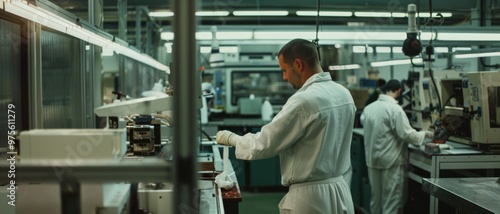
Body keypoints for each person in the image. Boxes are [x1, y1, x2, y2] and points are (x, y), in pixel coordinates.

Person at [216, 38, 356, 214]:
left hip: (310, 200)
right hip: (341, 191)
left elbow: (265, 143)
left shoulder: (303, 100)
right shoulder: (344, 94)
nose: (284, 77)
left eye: (284, 70)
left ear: (298, 64)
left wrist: (232, 138)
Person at [360, 79, 433, 214]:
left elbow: (363, 121)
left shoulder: (369, 108)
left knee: (376, 201)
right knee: (392, 202)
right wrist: (426, 134)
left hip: (373, 161)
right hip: (391, 163)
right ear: (399, 91)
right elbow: (407, 135)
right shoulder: (395, 109)